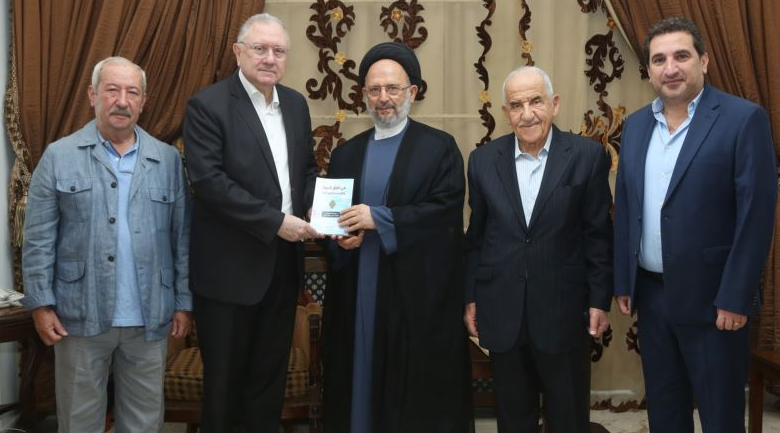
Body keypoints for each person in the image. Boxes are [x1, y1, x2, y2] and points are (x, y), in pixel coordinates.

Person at [613, 16, 777, 433]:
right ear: (649, 69)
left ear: (703, 61)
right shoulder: (635, 126)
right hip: (652, 298)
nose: (670, 68)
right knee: (665, 414)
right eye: (659, 60)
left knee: (720, 418)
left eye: (681, 56)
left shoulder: (744, 119)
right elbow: (627, 206)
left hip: (715, 302)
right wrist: (624, 280)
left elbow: (755, 217)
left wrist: (736, 296)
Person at [22, 56, 191, 433]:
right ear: (92, 95)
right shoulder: (59, 156)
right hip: (79, 314)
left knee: (144, 423)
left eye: (132, 92)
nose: (122, 101)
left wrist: (184, 301)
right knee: (79, 422)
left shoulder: (166, 160)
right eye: (112, 90)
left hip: (150, 316)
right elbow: (38, 239)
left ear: (143, 101)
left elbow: (181, 238)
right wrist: (41, 304)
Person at [323, 42, 473, 433]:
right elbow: (332, 221)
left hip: (416, 297)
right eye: (374, 89)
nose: (383, 98)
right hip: (359, 289)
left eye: (393, 88)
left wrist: (381, 218)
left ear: (413, 92)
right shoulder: (345, 155)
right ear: (364, 95)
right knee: (358, 377)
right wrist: (340, 241)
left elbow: (444, 213)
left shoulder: (439, 148)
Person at [182, 13, 319, 433]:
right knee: (224, 388)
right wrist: (276, 221)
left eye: (278, 51)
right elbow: (209, 183)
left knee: (268, 383)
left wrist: (319, 209)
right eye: (260, 48)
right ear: (238, 52)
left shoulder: (295, 104)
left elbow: (305, 172)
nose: (270, 58)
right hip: (228, 274)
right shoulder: (207, 106)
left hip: (282, 267)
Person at [463, 66, 613, 433]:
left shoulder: (587, 156)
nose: (527, 114)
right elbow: (477, 239)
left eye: (536, 101)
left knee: (568, 417)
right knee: (513, 418)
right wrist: (471, 297)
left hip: (564, 311)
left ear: (554, 104)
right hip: (503, 310)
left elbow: (598, 235)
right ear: (505, 112)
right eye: (516, 105)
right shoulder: (482, 161)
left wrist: (599, 300)